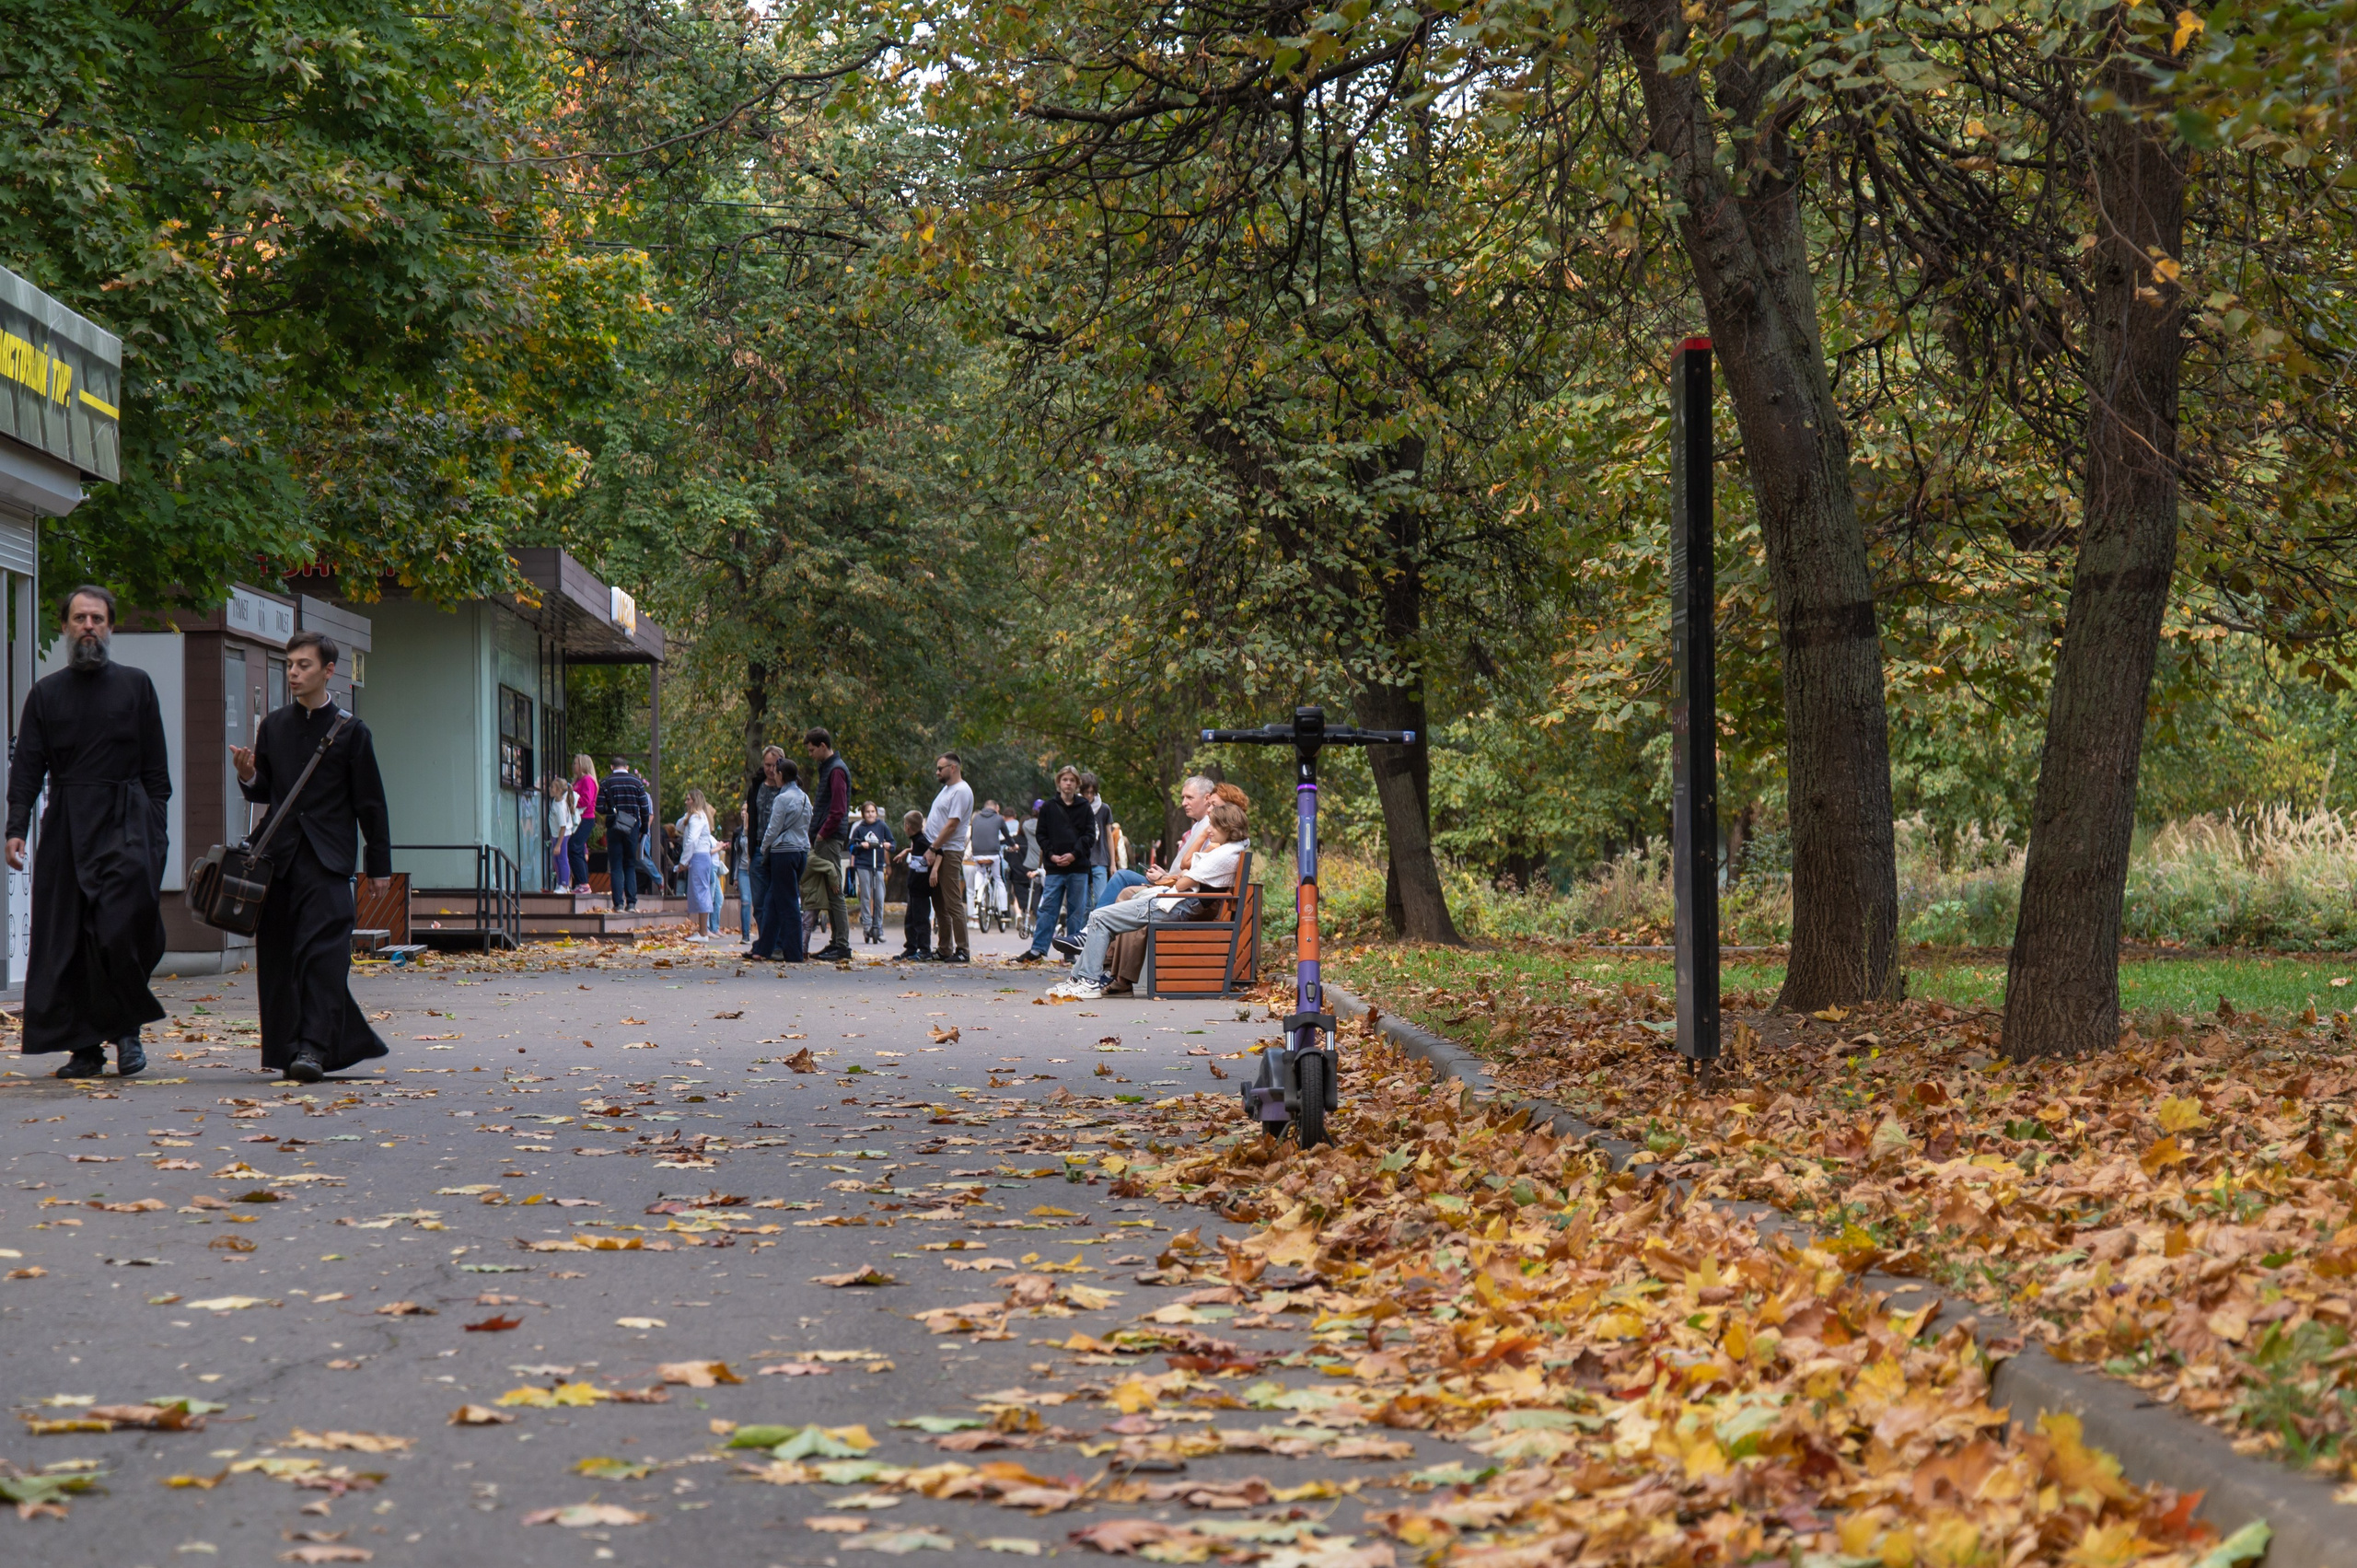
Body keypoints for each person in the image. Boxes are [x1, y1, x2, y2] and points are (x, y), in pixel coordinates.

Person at [6, 586, 172, 1079]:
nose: (88, 626)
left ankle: (127, 1033)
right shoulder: (46, 693)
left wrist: (155, 830)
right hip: (67, 823)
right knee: (69, 937)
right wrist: (16, 828)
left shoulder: (136, 686)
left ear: (112, 626)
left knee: (119, 930)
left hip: (126, 822)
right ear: (64, 627)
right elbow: (28, 769)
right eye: (79, 618)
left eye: (97, 618)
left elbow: (157, 773)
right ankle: (85, 1048)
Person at [231, 630, 393, 1082]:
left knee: (323, 957)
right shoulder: (274, 726)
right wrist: (247, 776)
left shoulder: (351, 732)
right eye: (290, 665)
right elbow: (268, 792)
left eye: (304, 665)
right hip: (279, 862)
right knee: (281, 958)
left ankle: (315, 1049)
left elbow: (371, 804)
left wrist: (378, 866)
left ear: (328, 671)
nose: (295, 673)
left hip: (328, 862)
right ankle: (288, 1049)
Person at [1049, 800, 1248, 1002]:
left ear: (1227, 827)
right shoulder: (1229, 850)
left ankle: (1088, 981)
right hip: (1181, 904)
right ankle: (1077, 979)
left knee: (1099, 917)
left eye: (1214, 825)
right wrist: (1186, 875)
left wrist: (1186, 876)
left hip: (1178, 906)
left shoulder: (1223, 854)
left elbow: (1181, 884)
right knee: (1099, 917)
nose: (1209, 829)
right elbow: (1187, 876)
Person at [1095, 774, 1215, 911]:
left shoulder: (1209, 828)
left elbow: (1194, 872)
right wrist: (1165, 875)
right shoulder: (1199, 825)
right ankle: (1095, 925)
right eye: (1183, 798)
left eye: (1189, 797)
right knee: (1122, 877)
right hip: (1174, 884)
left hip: (1180, 891)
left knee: (1122, 877)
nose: (1183, 803)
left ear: (1207, 798)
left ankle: (1093, 926)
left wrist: (1164, 877)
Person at [1016, 768, 1095, 964]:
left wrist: (1074, 855)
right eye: (1064, 780)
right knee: (1048, 908)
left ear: (1077, 784)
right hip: (1054, 867)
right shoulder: (1049, 807)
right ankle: (1038, 948)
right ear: (1059, 783)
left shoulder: (1084, 807)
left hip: (1078, 867)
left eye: (1071, 780)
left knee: (1076, 910)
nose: (1068, 783)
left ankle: (1071, 950)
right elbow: (1041, 835)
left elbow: (1089, 835)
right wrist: (1052, 855)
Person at [800, 728, 854, 961]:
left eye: (812, 750)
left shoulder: (836, 771)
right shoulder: (830, 769)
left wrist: (822, 834)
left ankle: (841, 945)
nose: (810, 755)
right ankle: (836, 943)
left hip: (830, 839)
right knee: (832, 891)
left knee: (835, 892)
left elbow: (838, 810)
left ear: (823, 746)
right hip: (826, 837)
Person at [749, 758, 810, 962]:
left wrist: (764, 848)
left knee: (789, 903)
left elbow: (773, 829)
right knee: (772, 902)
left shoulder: (782, 799)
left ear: (781, 775)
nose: (773, 775)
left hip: (783, 853)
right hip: (801, 852)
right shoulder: (804, 798)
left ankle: (794, 953)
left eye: (775, 772)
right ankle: (763, 948)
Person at [923, 752, 973, 963]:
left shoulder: (961, 791)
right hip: (937, 850)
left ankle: (962, 950)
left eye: (940, 768)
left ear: (953, 768)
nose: (937, 772)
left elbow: (952, 824)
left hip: (948, 851)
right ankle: (944, 948)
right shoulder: (947, 789)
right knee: (939, 903)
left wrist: (934, 847)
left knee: (952, 902)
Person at [599, 758, 653, 912]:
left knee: (616, 865)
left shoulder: (606, 782)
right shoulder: (636, 782)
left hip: (614, 827)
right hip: (632, 827)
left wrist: (612, 811)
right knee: (629, 864)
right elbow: (644, 807)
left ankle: (618, 904)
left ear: (612, 766)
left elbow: (599, 807)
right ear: (627, 767)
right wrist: (644, 828)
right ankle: (631, 903)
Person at [743, 748, 783, 949]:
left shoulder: (788, 788)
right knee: (758, 901)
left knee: (776, 899)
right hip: (758, 849)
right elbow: (751, 819)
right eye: (767, 764)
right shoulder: (756, 786)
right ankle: (765, 943)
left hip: (780, 851)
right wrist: (750, 852)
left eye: (775, 765)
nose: (770, 769)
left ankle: (777, 944)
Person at [679, 789, 721, 941]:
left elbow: (691, 841)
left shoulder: (696, 818)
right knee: (701, 892)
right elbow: (679, 826)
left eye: (688, 799)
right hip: (701, 857)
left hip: (698, 857)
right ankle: (703, 930)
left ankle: (703, 932)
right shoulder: (698, 816)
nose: (686, 802)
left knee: (701, 892)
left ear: (694, 801)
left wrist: (683, 861)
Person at [849, 803, 895, 945]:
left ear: (876, 813)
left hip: (878, 865)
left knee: (879, 896)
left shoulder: (882, 827)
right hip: (863, 865)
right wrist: (860, 845)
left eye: (873, 811)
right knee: (866, 895)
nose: (870, 814)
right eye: (867, 812)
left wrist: (889, 845)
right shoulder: (859, 829)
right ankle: (867, 925)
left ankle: (878, 926)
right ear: (863, 814)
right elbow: (851, 847)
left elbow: (892, 843)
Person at [895, 809, 932, 959]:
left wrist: (934, 870)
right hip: (914, 888)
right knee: (910, 919)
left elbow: (937, 852)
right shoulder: (917, 841)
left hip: (921, 889)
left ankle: (924, 950)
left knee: (921, 919)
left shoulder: (922, 841)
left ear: (908, 827)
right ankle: (911, 947)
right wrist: (907, 850)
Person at [967, 797, 1005, 925]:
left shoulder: (976, 818)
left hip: (977, 854)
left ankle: (979, 893)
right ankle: (1004, 910)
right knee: (998, 879)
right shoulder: (999, 819)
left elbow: (972, 836)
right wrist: (1014, 846)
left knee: (980, 873)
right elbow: (1008, 837)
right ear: (996, 808)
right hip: (993, 854)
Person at [1081, 772, 1115, 909]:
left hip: (1100, 859)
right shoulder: (1076, 808)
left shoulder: (1104, 809)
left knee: (1100, 901)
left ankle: (1098, 929)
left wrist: (1113, 863)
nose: (1089, 796)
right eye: (1086, 792)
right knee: (1083, 904)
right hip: (1081, 860)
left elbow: (1109, 836)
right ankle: (1082, 930)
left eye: (1092, 793)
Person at [568, 754, 598, 892]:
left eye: (576, 763)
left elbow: (586, 800)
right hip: (578, 818)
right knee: (577, 849)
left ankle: (583, 883)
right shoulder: (578, 781)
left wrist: (570, 803)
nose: (573, 766)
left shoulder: (587, 780)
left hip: (585, 818)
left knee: (574, 847)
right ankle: (582, 883)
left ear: (583, 765)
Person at [546, 775, 580, 892]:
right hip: (557, 834)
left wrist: (558, 845)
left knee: (562, 858)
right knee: (556, 859)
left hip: (562, 835)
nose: (550, 789)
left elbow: (563, 827)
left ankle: (564, 885)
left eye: (553, 787)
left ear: (560, 791)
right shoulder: (556, 801)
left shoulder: (560, 807)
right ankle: (560, 883)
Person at [732, 806, 756, 942]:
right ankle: (745, 935)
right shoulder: (738, 832)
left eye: (746, 809)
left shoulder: (757, 829)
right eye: (741, 809)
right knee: (745, 901)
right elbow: (736, 855)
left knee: (758, 903)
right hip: (742, 870)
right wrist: (735, 877)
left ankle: (764, 935)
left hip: (755, 869)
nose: (743, 812)